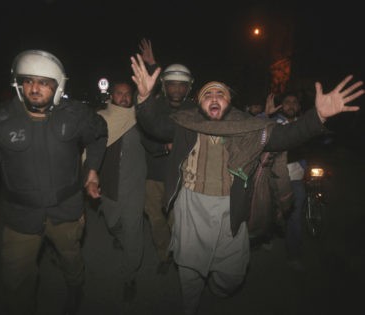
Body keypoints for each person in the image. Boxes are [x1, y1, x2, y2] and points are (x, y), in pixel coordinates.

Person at [131, 53, 363, 315]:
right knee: (190, 272)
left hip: (231, 210)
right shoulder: (186, 123)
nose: (215, 97)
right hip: (191, 208)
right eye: (208, 94)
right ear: (199, 103)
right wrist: (143, 98)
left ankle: (218, 290)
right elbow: (154, 126)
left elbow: (286, 136)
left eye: (221, 94)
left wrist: (317, 116)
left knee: (232, 275)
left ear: (229, 102)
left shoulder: (249, 128)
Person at [0, 49, 108, 315]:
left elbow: (99, 134)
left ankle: (75, 290)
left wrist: (92, 169)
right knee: (17, 281)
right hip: (20, 217)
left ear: (57, 86)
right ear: (18, 83)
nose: (34, 88)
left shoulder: (76, 114)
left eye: (44, 82)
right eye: (28, 80)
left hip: (67, 211)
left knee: (71, 261)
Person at [137, 38, 198, 274]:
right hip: (154, 175)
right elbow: (145, 132)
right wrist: (164, 148)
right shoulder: (155, 105)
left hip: (184, 176)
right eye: (172, 84)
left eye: (182, 85)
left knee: (180, 221)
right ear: (164, 86)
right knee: (156, 220)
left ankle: (180, 256)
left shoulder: (194, 109)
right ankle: (164, 256)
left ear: (189, 88)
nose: (177, 89)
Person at [94, 80, 146, 302]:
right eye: (119, 93)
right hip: (109, 185)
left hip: (134, 186)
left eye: (127, 94)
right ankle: (119, 236)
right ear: (111, 96)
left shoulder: (140, 118)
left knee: (134, 233)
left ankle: (129, 276)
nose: (124, 97)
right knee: (113, 224)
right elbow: (89, 148)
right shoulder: (100, 119)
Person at [265, 91, 310, 270]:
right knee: (269, 211)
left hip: (296, 180)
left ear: (299, 107)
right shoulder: (274, 123)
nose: (291, 105)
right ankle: (268, 237)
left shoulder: (306, 124)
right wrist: (265, 116)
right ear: (281, 106)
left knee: (294, 216)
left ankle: (293, 254)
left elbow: (322, 136)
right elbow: (257, 132)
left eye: (294, 102)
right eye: (287, 101)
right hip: (274, 179)